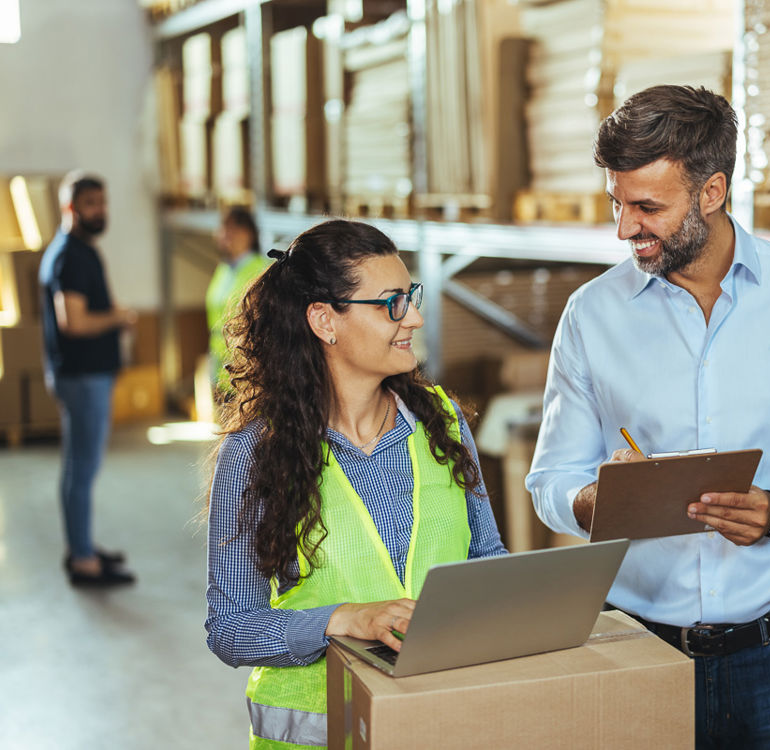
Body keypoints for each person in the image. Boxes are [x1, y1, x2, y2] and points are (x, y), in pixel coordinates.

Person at [526, 85, 770, 749]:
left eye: (648, 208)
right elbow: (550, 481)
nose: (624, 229)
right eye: (618, 203)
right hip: (636, 652)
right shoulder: (592, 314)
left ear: (712, 192)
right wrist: (599, 499)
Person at [205, 219, 505, 749]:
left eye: (410, 297)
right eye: (392, 303)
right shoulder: (255, 452)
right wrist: (343, 620)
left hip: (440, 723)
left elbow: (487, 558)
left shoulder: (443, 421)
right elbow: (231, 629)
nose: (414, 317)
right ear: (325, 320)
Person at [38, 171, 137, 587]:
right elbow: (74, 322)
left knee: (78, 468)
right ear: (70, 207)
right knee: (82, 469)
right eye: (91, 204)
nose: (100, 211)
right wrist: (119, 317)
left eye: (102, 203)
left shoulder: (73, 250)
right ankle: (82, 560)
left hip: (80, 376)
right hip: (83, 378)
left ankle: (81, 547)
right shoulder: (71, 256)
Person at [205, 205, 269, 398]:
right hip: (220, 367)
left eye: (232, 228)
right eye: (223, 227)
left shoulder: (261, 269)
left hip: (247, 372)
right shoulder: (224, 269)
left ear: (249, 233)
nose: (225, 234)